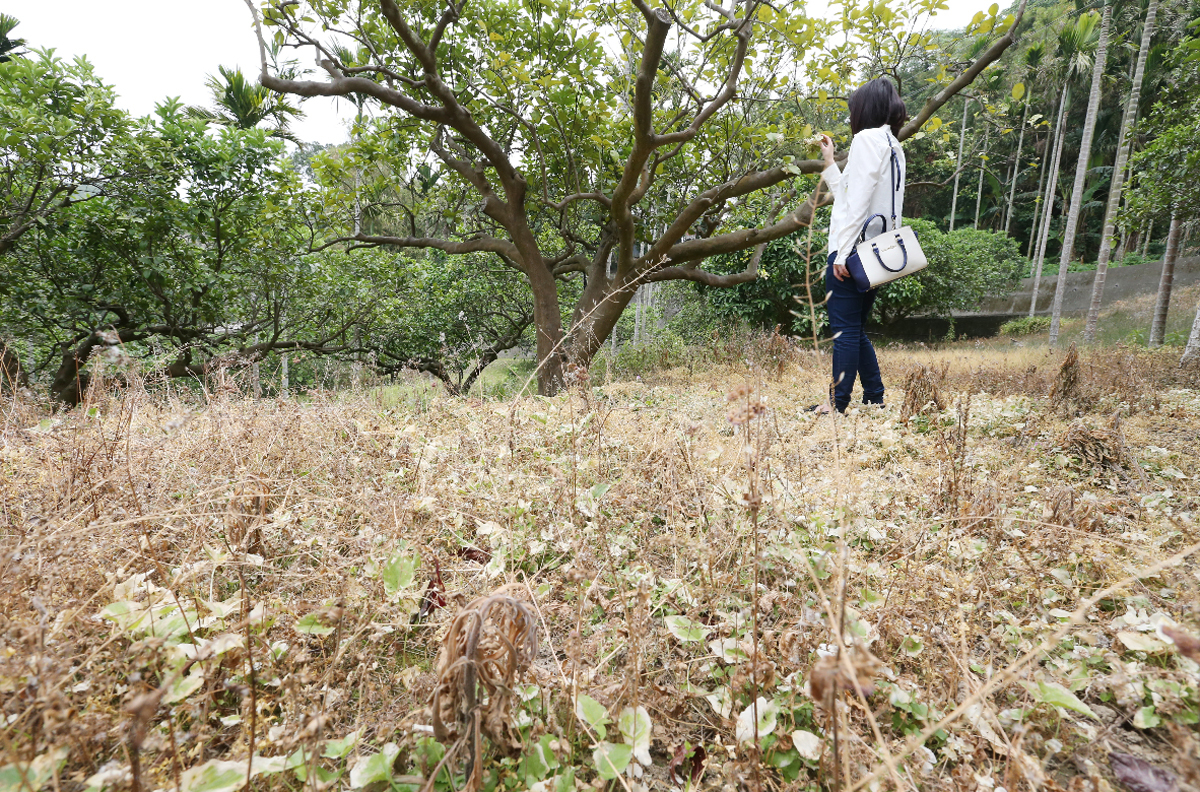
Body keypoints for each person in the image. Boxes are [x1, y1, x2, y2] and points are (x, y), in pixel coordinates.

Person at [817, 77, 907, 413]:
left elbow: (858, 203)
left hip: (852, 253)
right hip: (877, 253)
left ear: (864, 108)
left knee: (844, 331)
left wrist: (841, 253)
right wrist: (830, 162)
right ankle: (874, 397)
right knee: (855, 329)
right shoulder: (892, 145)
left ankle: (837, 404)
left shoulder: (868, 139)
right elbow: (853, 194)